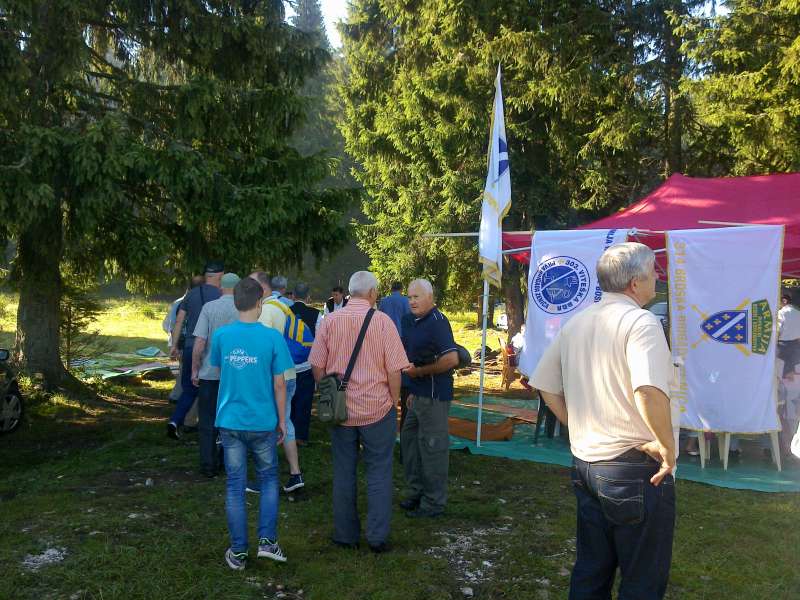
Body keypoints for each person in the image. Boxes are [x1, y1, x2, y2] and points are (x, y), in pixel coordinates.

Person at [532, 242, 675, 600]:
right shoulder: (641, 321)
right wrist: (666, 446)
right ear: (634, 282)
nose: (657, 278)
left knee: (591, 570)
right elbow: (648, 390)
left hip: (587, 464)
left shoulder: (577, 322)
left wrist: (576, 424)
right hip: (633, 466)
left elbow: (545, 384)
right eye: (653, 272)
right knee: (642, 579)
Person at [309, 271, 409, 553]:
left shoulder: (330, 321)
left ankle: (345, 535)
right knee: (379, 472)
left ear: (350, 292)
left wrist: (329, 393)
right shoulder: (383, 322)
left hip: (340, 411)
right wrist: (393, 402)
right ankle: (377, 537)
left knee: (343, 472)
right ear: (373, 293)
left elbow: (316, 364)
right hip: (377, 408)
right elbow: (395, 370)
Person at [210, 277, 293, 569]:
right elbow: (280, 384)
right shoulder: (272, 338)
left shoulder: (222, 336)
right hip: (263, 422)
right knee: (268, 479)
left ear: (235, 303)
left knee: (235, 484)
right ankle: (267, 542)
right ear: (259, 303)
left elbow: (221, 372)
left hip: (230, 421)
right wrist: (282, 421)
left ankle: (238, 551)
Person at [399, 279, 459, 518]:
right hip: (419, 394)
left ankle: (433, 503)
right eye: (409, 297)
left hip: (435, 396)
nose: (412, 301)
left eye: (417, 297)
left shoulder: (438, 322)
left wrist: (420, 373)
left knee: (433, 449)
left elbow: (451, 359)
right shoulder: (412, 321)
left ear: (430, 298)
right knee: (410, 442)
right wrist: (414, 389)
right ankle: (417, 491)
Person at [251, 272, 305, 492]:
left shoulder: (266, 310)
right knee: (286, 423)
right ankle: (295, 474)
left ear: (262, 287)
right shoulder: (282, 305)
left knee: (267, 425)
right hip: (289, 373)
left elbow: (262, 347)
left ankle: (265, 479)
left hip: (274, 377)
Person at [190, 272, 241, 477]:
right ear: (238, 288)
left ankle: (208, 465)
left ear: (221, 287)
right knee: (232, 419)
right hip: (235, 375)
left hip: (210, 374)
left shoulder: (209, 308)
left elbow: (199, 342)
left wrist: (195, 369)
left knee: (207, 420)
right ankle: (230, 462)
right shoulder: (243, 309)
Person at [168, 262, 223, 439]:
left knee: (189, 389)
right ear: (219, 276)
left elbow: (179, 321)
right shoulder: (221, 295)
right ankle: (213, 430)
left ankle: (175, 421)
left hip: (191, 346)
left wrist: (174, 345)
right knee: (215, 389)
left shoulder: (191, 294)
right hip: (212, 347)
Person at [163, 275, 204, 402]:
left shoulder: (178, 303)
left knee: (184, 371)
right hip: (186, 344)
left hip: (182, 343)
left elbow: (168, 325)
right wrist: (176, 345)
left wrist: (173, 344)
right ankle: (178, 397)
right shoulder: (188, 303)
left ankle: (178, 396)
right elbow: (173, 325)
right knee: (186, 372)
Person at [290, 282, 322, 444]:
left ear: (293, 296)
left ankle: (287, 434)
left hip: (287, 364)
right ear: (308, 297)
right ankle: (301, 436)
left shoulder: (285, 312)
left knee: (288, 401)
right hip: (307, 364)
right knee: (304, 401)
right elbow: (320, 340)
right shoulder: (316, 314)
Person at [778, 292, 800, 376]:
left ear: (784, 301)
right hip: (796, 345)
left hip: (782, 346)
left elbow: (778, 329)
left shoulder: (781, 312)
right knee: (790, 371)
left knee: (781, 371)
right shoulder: (798, 312)